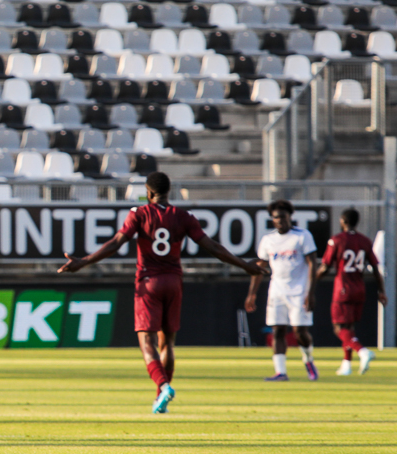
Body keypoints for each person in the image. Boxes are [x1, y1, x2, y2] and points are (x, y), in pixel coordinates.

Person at [58, 172, 264, 413]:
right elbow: (213, 247)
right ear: (169, 191)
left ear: (148, 192)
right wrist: (246, 266)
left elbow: (116, 242)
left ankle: (163, 386)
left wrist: (82, 262)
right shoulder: (184, 216)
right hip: (174, 281)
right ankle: (160, 399)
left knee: (147, 341)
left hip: (148, 282)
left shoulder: (139, 214)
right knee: (168, 344)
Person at [246, 200, 320, 382]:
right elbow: (260, 268)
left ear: (290, 217)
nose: (280, 221)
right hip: (277, 291)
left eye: (283, 217)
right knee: (277, 330)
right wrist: (252, 293)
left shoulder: (302, 236)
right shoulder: (268, 240)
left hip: (299, 290)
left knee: (299, 332)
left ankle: (308, 359)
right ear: (272, 219)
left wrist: (310, 292)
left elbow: (313, 263)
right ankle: (281, 372)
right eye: (276, 217)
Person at [315, 208, 387, 375]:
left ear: (343, 221)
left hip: (343, 289)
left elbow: (325, 266)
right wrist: (381, 291)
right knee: (349, 327)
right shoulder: (365, 241)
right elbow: (376, 268)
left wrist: (312, 280)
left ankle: (362, 351)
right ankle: (346, 364)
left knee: (339, 328)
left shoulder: (337, 240)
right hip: (359, 288)